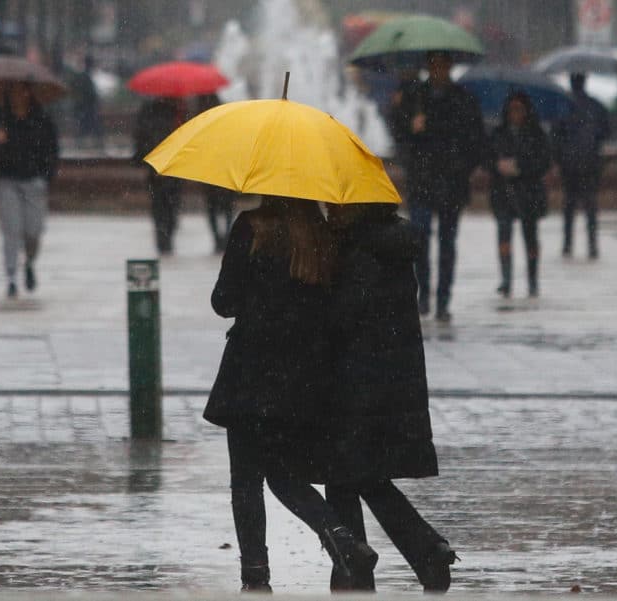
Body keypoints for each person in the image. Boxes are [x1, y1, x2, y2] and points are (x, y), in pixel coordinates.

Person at [205, 197, 379, 592]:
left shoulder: (252, 227)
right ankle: (341, 538)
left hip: (251, 372)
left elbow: (223, 301)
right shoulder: (321, 234)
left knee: (246, 480)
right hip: (302, 379)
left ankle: (256, 576)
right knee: (283, 473)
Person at [323, 202, 456, 593]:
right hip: (390, 380)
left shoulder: (360, 249)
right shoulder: (390, 243)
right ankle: (421, 551)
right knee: (363, 473)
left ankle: (358, 568)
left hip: (357, 381)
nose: (328, 211)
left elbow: (344, 315)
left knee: (344, 471)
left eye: (334, 205)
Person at [388, 51, 485, 322]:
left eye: (443, 65)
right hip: (422, 180)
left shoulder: (462, 99)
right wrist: (407, 122)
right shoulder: (415, 96)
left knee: (447, 243)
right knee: (419, 240)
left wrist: (460, 164)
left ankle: (443, 299)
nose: (438, 70)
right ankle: (424, 294)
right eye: (433, 65)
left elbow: (474, 138)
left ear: (449, 67)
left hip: (451, 182)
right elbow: (398, 133)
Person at [0, 84, 59, 298]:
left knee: (34, 230)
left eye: (23, 91)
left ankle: (29, 262)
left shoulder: (41, 120)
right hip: (7, 181)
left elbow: (51, 150)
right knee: (11, 231)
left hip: (34, 181)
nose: (19, 96)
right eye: (14, 92)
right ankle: (11, 276)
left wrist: (47, 176)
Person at [488, 92, 552, 298]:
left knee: (530, 237)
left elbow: (544, 161)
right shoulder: (498, 133)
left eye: (519, 109)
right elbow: (486, 156)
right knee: (504, 234)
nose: (515, 114)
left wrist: (521, 167)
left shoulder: (536, 134)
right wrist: (498, 166)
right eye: (512, 109)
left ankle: (532, 279)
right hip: (503, 192)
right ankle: (506, 279)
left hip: (528, 193)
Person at [553, 72, 610, 259]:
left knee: (569, 203)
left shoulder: (562, 106)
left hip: (569, 162)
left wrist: (559, 156)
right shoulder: (596, 106)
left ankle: (567, 244)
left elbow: (555, 135)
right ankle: (592, 244)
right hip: (590, 161)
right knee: (590, 203)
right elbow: (606, 131)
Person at [133, 97, 185, 255]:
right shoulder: (175, 112)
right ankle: (165, 236)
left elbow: (140, 137)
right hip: (170, 166)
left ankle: (163, 237)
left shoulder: (171, 111)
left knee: (160, 205)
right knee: (168, 204)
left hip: (159, 167)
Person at [194, 93, 235, 253]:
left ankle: (218, 237)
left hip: (210, 172)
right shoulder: (227, 115)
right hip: (226, 170)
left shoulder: (203, 118)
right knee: (226, 207)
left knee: (213, 207)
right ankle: (224, 236)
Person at [71, 55, 104, 149]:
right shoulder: (85, 77)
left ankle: (81, 145)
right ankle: (98, 145)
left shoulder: (84, 76)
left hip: (84, 108)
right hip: (86, 108)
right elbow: (89, 94)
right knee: (92, 126)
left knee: (86, 127)